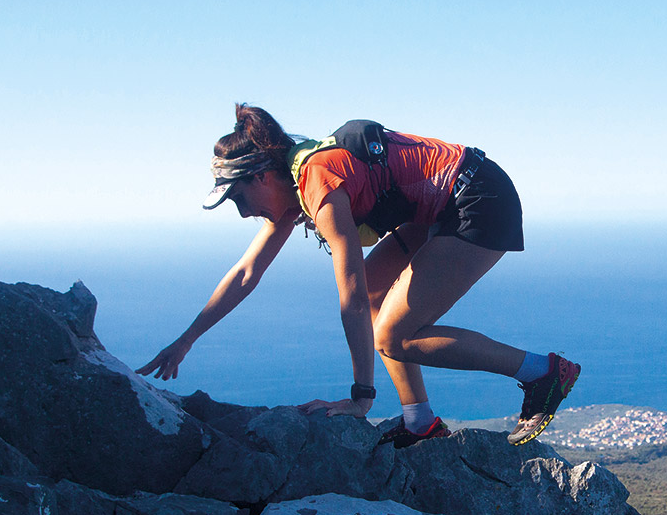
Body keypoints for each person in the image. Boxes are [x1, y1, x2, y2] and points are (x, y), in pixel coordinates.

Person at [137, 104, 580, 447]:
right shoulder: (293, 184)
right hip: (445, 203)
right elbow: (246, 273)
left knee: (394, 336)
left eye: (238, 198)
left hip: (478, 199)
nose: (243, 213)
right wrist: (186, 339)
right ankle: (420, 422)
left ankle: (543, 372)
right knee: (374, 297)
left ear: (262, 177)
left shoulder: (317, 182)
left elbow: (347, 294)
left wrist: (360, 397)